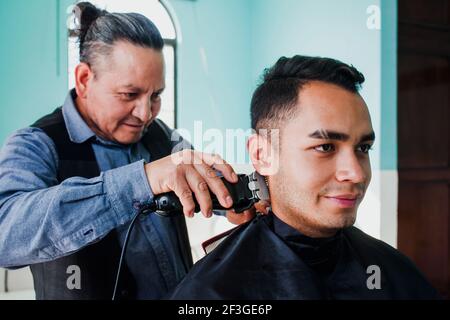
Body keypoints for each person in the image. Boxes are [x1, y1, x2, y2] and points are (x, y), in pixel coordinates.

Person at [0, 2, 260, 300]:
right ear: (85, 80)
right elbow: (5, 236)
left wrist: (236, 200)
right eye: (129, 94)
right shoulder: (35, 144)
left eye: (156, 95)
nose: (145, 113)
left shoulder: (162, 136)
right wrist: (144, 179)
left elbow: (202, 184)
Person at [168, 55, 441, 299]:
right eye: (325, 147)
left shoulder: (393, 272)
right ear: (262, 154)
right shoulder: (212, 291)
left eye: (362, 148)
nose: (356, 173)